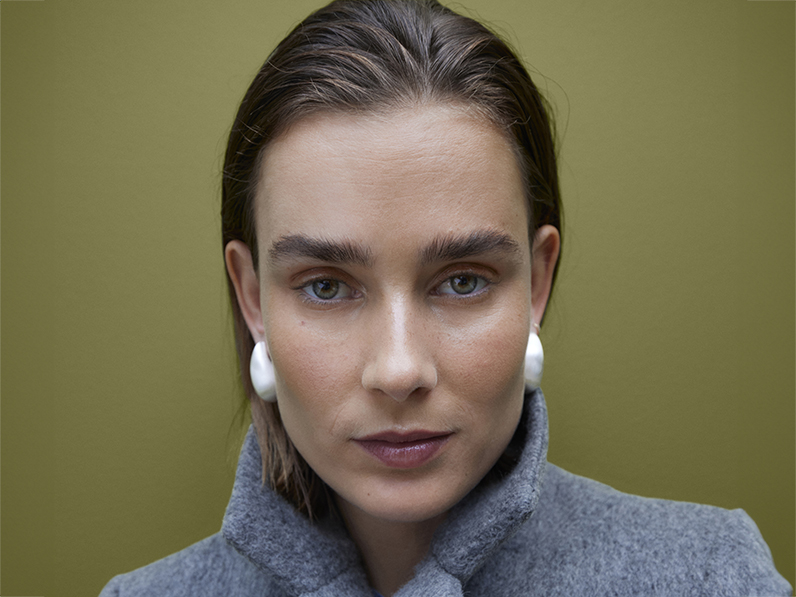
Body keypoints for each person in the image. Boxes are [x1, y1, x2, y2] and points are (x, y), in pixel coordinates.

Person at [99, 0, 792, 595]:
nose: (399, 370)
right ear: (253, 299)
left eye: (462, 280)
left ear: (537, 281)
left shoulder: (712, 575)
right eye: (328, 286)